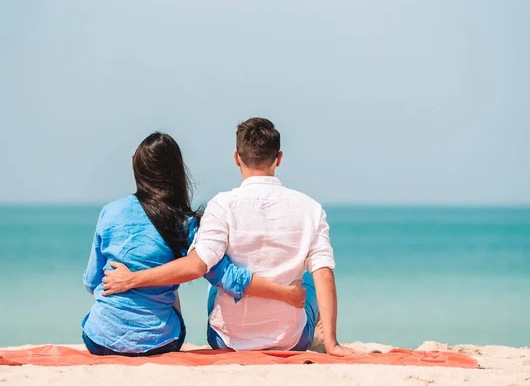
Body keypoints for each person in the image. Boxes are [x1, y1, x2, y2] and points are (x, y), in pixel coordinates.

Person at [103, 119, 358, 356]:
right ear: (278, 158)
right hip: (290, 339)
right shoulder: (310, 208)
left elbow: (197, 265)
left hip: (227, 340)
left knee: (216, 278)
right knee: (310, 279)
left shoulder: (222, 205)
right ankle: (321, 335)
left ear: (237, 158)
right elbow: (324, 273)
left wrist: (132, 280)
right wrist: (334, 344)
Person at [82, 132, 305, 356]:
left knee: (156, 284)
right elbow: (224, 275)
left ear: (137, 167)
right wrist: (283, 292)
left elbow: (93, 282)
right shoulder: (183, 223)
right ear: (176, 171)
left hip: (99, 340)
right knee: (173, 284)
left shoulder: (109, 212)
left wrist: (131, 282)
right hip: (159, 342)